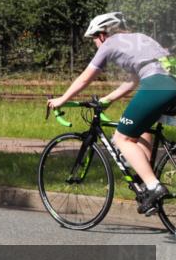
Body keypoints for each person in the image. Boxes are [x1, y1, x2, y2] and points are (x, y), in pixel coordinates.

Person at [47, 12, 176, 215]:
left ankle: (154, 187)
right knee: (142, 129)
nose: (95, 45)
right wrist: (108, 99)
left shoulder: (109, 44)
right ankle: (145, 179)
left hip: (157, 87)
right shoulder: (141, 38)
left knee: (121, 138)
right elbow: (133, 80)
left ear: (102, 34)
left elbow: (84, 79)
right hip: (170, 84)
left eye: (94, 41)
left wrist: (62, 99)